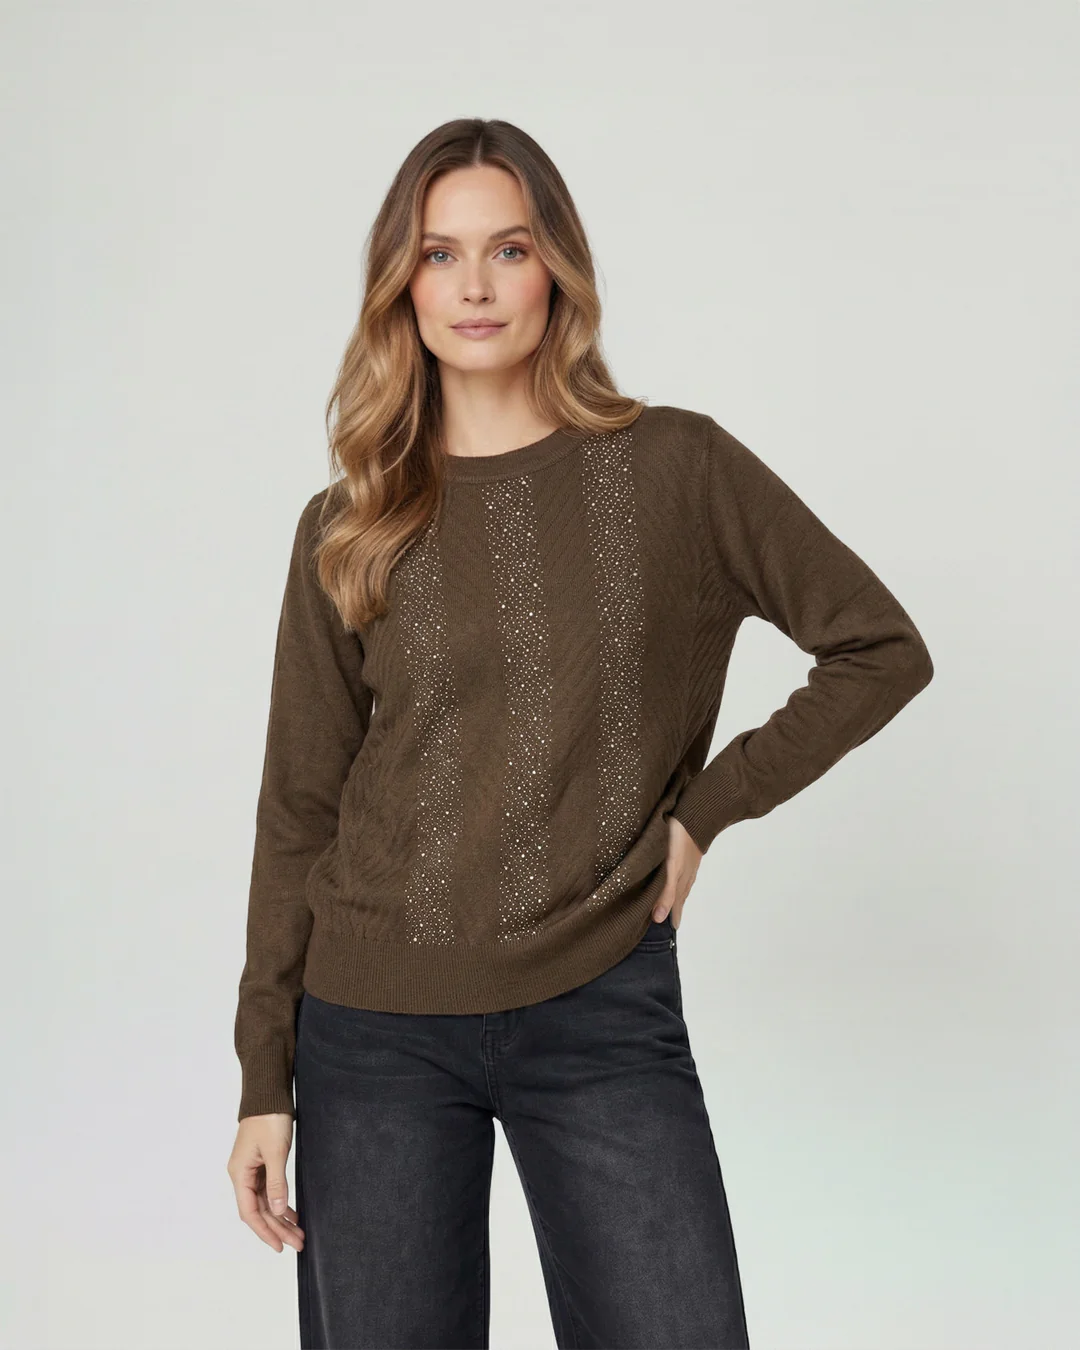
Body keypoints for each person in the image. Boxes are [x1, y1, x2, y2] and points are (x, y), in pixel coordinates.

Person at [226, 117, 933, 1350]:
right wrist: (261, 1078)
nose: (476, 286)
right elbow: (300, 810)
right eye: (440, 255)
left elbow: (879, 647)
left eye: (508, 249)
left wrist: (706, 812)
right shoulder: (348, 524)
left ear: (556, 267)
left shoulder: (676, 469)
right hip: (373, 1027)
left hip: (600, 1002)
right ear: (402, 285)